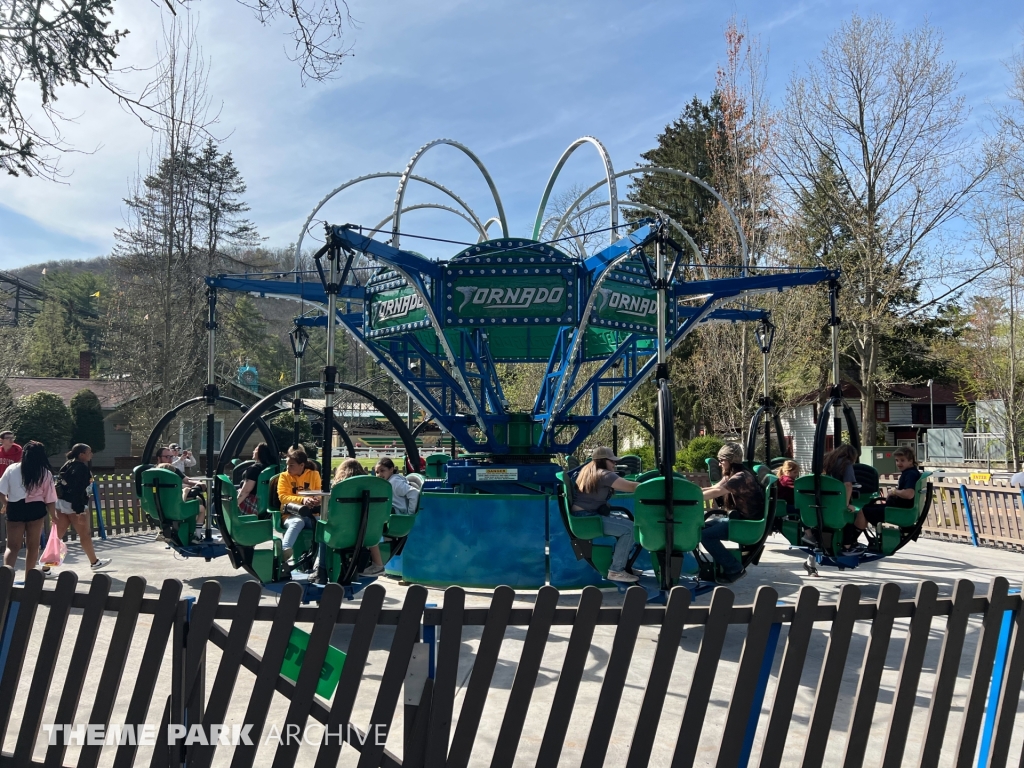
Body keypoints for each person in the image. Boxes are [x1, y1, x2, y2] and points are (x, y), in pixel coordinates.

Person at [570, 446, 640, 583]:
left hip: (583, 517)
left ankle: (623, 565)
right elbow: (631, 487)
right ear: (603, 461)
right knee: (630, 529)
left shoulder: (587, 471)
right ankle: (617, 570)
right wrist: (654, 486)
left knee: (627, 522)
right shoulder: (604, 474)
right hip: (588, 518)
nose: (615, 464)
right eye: (612, 461)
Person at [701, 443, 763, 584]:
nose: (720, 463)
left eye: (722, 460)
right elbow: (713, 487)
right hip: (740, 519)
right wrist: (690, 491)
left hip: (746, 524)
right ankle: (718, 566)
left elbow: (717, 492)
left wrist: (691, 497)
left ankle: (734, 569)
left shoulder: (740, 477)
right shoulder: (733, 475)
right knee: (702, 527)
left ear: (731, 460)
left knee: (705, 536)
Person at [0, 441, 57, 579]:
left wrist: (6, 503)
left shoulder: (12, 468)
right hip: (36, 508)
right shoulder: (45, 473)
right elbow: (49, 498)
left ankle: (7, 580)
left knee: (12, 547)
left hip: (15, 507)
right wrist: (53, 515)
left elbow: (1, 491)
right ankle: (28, 579)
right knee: (33, 545)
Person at [54, 444, 111, 570]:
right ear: (81, 454)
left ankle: (46, 567)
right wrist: (79, 511)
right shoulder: (81, 469)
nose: (91, 454)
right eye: (89, 452)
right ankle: (94, 562)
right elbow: (78, 490)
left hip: (61, 503)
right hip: (76, 506)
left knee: (56, 536)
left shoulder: (68, 464)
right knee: (85, 534)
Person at [336, 459, 386, 576]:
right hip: (367, 532)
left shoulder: (340, 488)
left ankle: (320, 566)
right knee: (368, 527)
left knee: (321, 528)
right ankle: (378, 565)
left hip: (342, 531)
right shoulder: (372, 488)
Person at [857, 446, 923, 533]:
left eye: (902, 460)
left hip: (901, 511)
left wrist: (894, 491)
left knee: (863, 511)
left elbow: (909, 494)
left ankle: (849, 542)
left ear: (911, 461)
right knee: (868, 508)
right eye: (897, 460)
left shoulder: (910, 475)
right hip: (903, 509)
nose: (899, 463)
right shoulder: (912, 472)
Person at [276, 448, 321, 565]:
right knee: (297, 522)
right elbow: (283, 497)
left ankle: (320, 561)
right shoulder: (284, 476)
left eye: (291, 465)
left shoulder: (314, 475)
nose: (288, 468)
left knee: (323, 526)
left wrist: (316, 500)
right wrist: (302, 500)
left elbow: (319, 493)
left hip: (312, 514)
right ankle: (285, 551)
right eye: (287, 465)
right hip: (290, 514)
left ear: (302, 465)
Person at [155, 446, 208, 537]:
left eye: (171, 457)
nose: (170, 459)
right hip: (174, 506)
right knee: (200, 504)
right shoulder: (171, 470)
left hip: (159, 506)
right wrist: (186, 490)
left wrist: (198, 483)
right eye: (167, 457)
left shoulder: (152, 473)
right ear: (159, 458)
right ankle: (196, 533)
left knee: (198, 499)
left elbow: (186, 480)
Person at [822, 444, 861, 551]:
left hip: (824, 499)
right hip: (838, 499)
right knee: (850, 515)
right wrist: (846, 504)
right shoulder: (846, 463)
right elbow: (848, 484)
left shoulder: (826, 460)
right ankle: (847, 545)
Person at [236, 443, 277, 516]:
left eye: (255, 450)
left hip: (252, 503)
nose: (253, 451)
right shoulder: (271, 468)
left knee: (223, 498)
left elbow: (246, 491)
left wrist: (235, 504)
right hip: (266, 502)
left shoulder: (254, 469)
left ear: (260, 453)